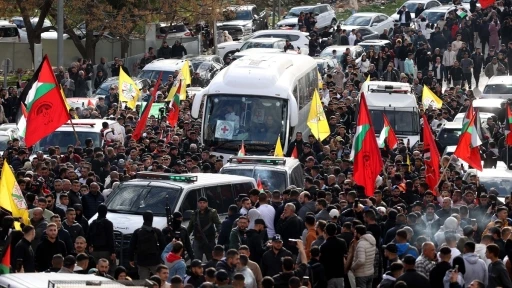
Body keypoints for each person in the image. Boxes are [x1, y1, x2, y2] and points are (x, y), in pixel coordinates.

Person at [128, 211, 167, 280]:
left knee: (143, 281)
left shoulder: (137, 232)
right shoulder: (156, 231)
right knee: (160, 280)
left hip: (141, 261)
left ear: (143, 219)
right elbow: (163, 246)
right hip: (155, 260)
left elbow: (131, 246)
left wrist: (131, 259)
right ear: (152, 219)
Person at [187, 196, 221, 261]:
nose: (202, 204)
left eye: (204, 203)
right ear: (198, 204)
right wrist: (185, 236)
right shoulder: (195, 213)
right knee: (196, 260)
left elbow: (218, 224)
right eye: (200, 203)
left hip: (209, 240)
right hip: (198, 239)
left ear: (207, 203)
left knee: (211, 259)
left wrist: (219, 232)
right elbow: (190, 227)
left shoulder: (212, 212)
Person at [319, 222, 346, 287]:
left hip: (329, 275)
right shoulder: (342, 242)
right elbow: (344, 256)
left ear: (325, 232)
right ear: (336, 231)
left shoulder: (323, 246)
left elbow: (321, 261)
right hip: (340, 274)